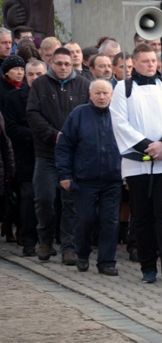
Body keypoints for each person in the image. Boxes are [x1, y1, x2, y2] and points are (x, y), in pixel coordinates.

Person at [109, 43, 162, 284]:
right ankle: (147, 268)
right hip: (137, 163)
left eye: (153, 61)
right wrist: (147, 146)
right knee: (142, 216)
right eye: (145, 61)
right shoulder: (124, 88)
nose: (151, 65)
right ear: (134, 63)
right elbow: (120, 122)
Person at [26, 47, 90, 264]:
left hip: (73, 156)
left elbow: (89, 115)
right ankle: (44, 240)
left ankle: (69, 247)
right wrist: (55, 135)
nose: (63, 68)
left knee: (71, 201)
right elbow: (33, 114)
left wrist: (73, 138)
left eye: (67, 64)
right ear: (51, 63)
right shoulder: (40, 85)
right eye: (59, 63)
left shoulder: (83, 85)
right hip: (46, 154)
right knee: (44, 199)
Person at [55, 79, 122, 276]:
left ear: (112, 95)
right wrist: (65, 175)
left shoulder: (119, 116)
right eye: (98, 93)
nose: (102, 97)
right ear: (90, 95)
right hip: (85, 179)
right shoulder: (78, 114)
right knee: (85, 219)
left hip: (113, 179)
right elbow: (64, 147)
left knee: (110, 221)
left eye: (106, 93)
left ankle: (106, 262)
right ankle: (82, 254)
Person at [4, 60, 45, 256]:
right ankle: (28, 240)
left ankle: (47, 240)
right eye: (31, 75)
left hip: (49, 155)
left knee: (49, 200)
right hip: (26, 157)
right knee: (28, 198)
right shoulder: (14, 98)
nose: (35, 78)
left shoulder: (51, 96)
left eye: (39, 74)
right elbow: (10, 128)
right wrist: (37, 134)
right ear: (26, 77)